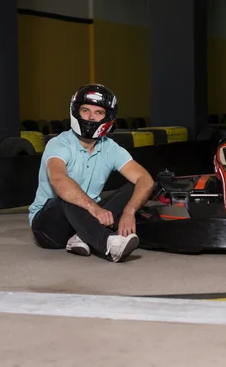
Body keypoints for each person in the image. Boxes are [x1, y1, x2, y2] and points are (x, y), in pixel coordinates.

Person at [28, 84, 155, 262]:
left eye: (98, 112)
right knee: (67, 193)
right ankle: (107, 243)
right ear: (76, 112)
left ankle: (82, 236)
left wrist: (129, 211)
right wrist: (95, 208)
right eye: (85, 110)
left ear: (108, 117)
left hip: (86, 220)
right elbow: (58, 180)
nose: (90, 117)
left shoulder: (110, 148)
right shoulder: (59, 144)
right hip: (49, 227)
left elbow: (145, 179)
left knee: (134, 187)